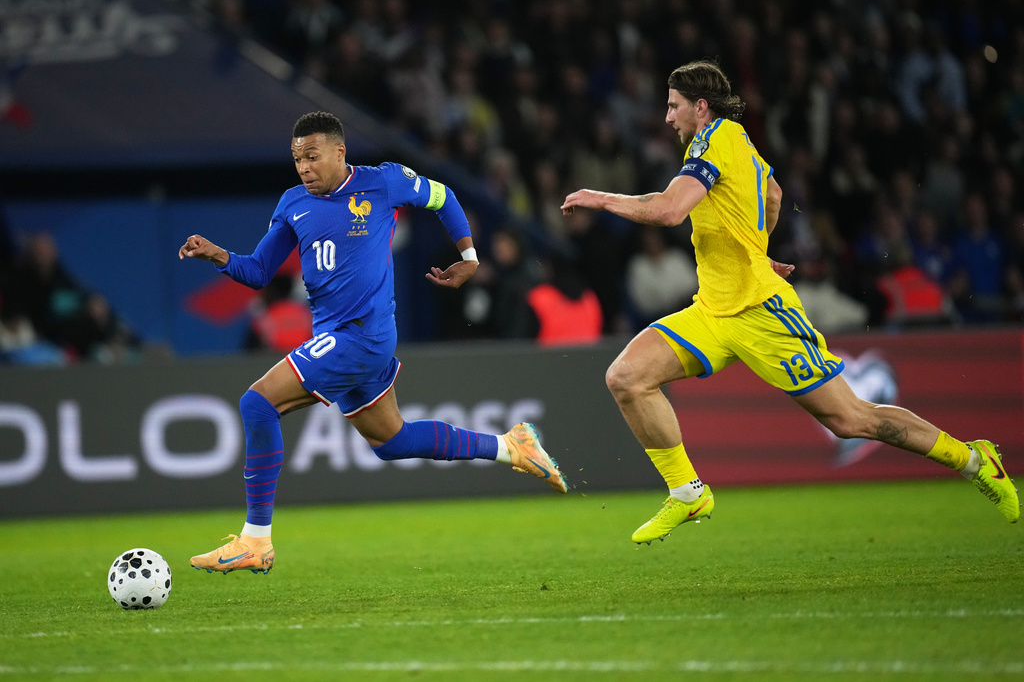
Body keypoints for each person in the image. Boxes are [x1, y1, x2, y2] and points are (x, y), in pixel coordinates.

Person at [560, 61, 1019, 545]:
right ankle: (687, 490)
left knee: (849, 419)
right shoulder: (727, 141)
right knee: (627, 377)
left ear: (700, 106)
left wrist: (599, 196)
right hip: (713, 309)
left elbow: (670, 210)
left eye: (673, 105)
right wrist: (755, 250)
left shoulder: (716, 139)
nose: (667, 116)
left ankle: (972, 459)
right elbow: (773, 193)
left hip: (760, 309)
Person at [179, 111, 568, 574]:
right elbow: (260, 271)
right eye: (296, 158)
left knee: (257, 405)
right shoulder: (292, 204)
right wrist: (220, 256)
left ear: (339, 152)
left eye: (312, 156)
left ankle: (255, 541)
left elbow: (444, 197)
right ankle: (512, 446)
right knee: (392, 440)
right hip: (337, 337)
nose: (303, 167)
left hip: (362, 335)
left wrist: (468, 256)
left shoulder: (383, 183)